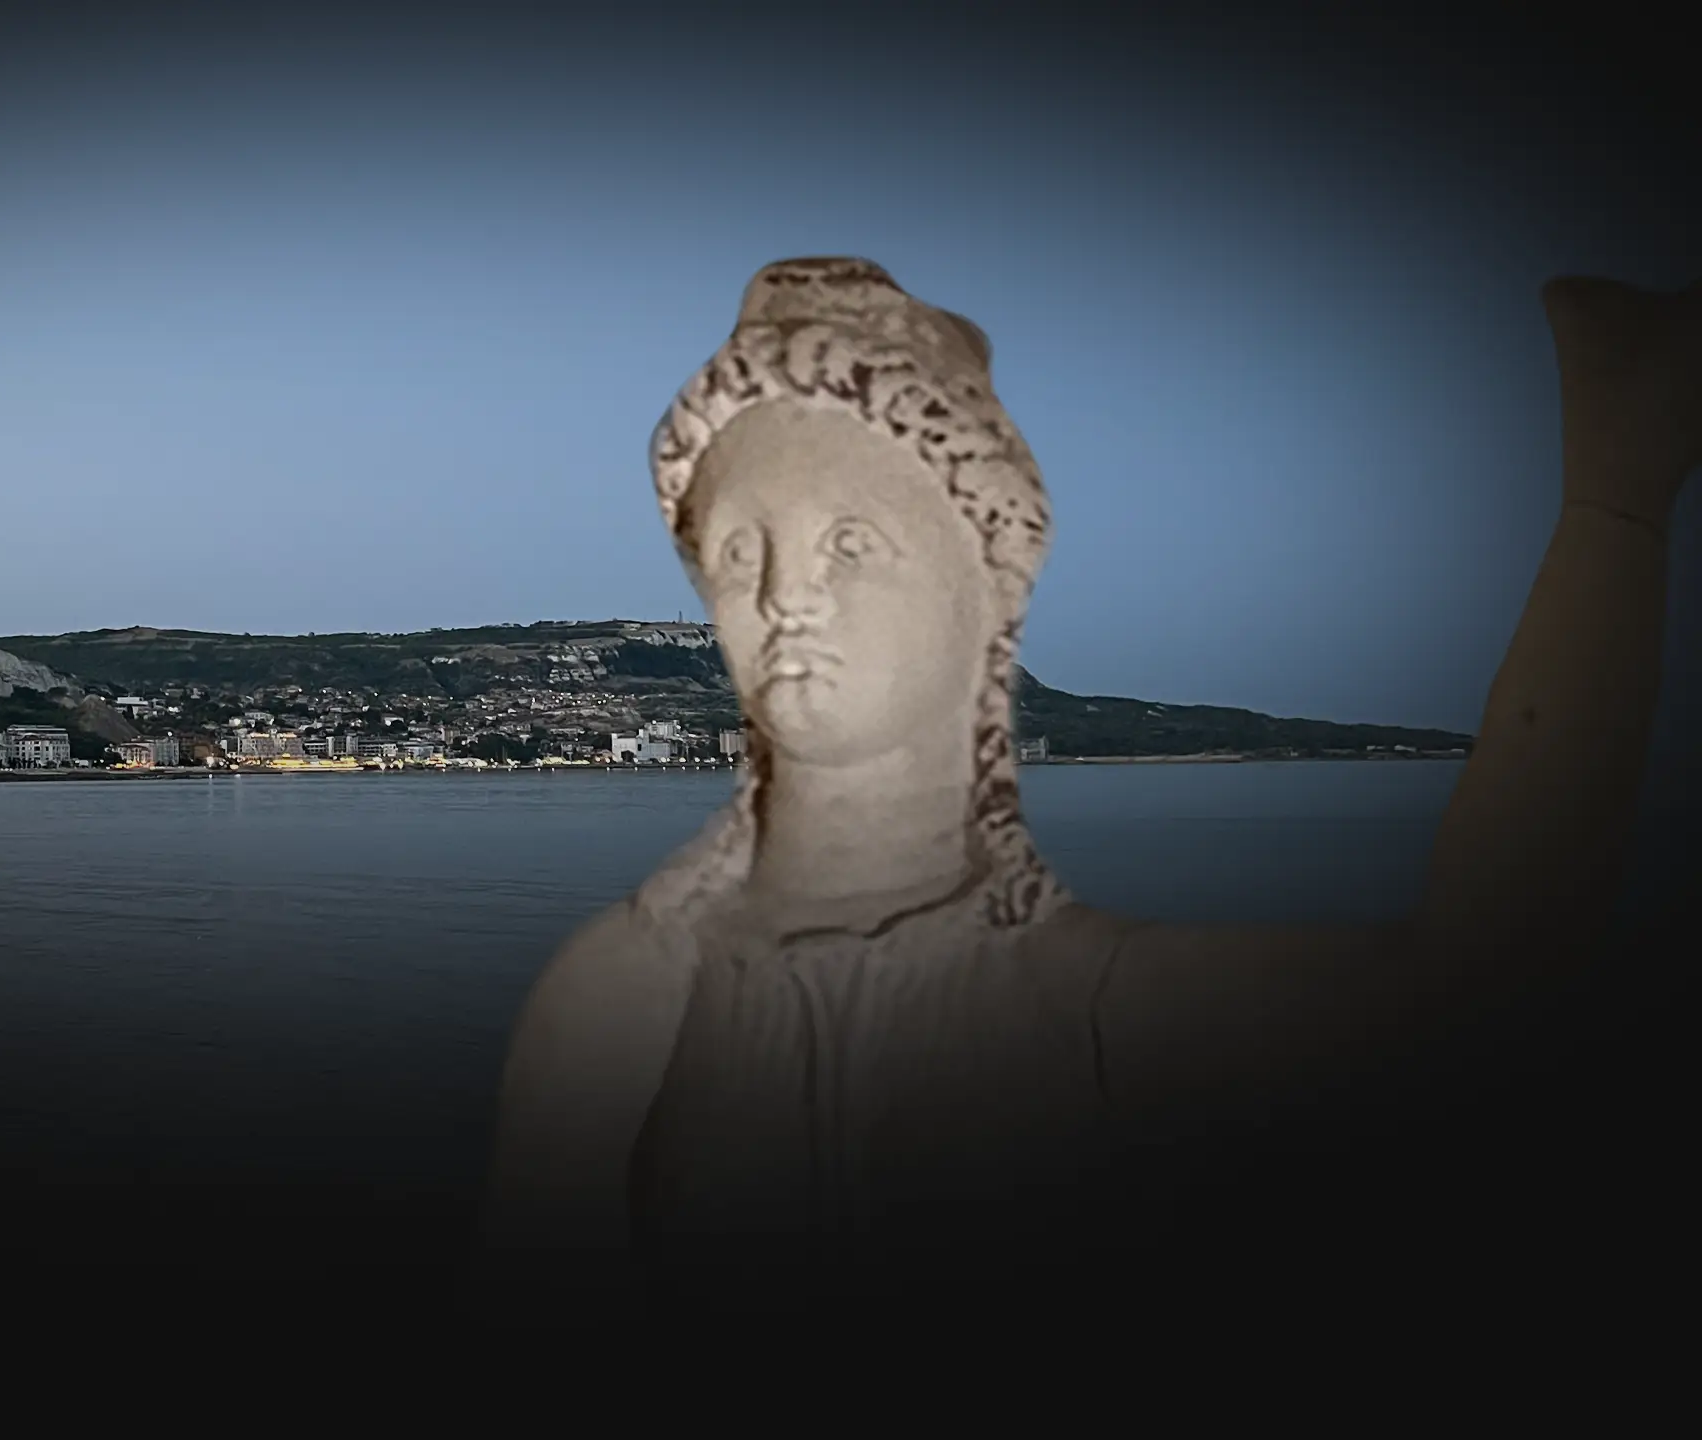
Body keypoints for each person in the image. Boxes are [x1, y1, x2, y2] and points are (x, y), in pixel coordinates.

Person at [476, 258, 1698, 1329]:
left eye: (852, 541)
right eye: (740, 548)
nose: (787, 592)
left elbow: (1491, 987)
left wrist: (1612, 502)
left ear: (988, 578)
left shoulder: (1081, 999)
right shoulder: (621, 999)